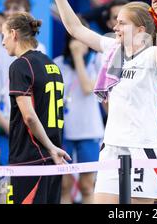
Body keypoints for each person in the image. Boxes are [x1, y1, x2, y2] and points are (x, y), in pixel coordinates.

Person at [50, 0, 157, 204]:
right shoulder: (113, 50)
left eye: (122, 23)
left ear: (141, 30)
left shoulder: (155, 55)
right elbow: (76, 29)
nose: (115, 28)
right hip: (112, 146)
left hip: (142, 148)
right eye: (116, 22)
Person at [2, 11, 70, 204]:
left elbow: (29, 116)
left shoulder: (20, 65)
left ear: (14, 34)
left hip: (30, 157)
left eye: (4, 35)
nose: (2, 42)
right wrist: (53, 149)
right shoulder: (52, 64)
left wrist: (49, 148)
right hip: (53, 157)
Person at [0, 0, 46, 168]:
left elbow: (38, 90)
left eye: (16, 8)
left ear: (27, 13)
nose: (10, 12)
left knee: (16, 179)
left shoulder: (39, 49)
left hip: (26, 121)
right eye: (7, 8)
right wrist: (3, 122)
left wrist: (29, 121)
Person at [54, 21, 104, 204]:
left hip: (89, 130)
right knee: (64, 185)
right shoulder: (58, 63)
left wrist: (78, 58)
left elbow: (87, 87)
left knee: (87, 186)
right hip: (64, 131)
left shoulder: (97, 61)